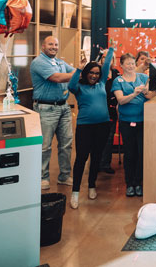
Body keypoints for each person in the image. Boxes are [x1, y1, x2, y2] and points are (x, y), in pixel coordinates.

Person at [67, 48, 114, 209]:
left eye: (97, 73)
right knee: (81, 158)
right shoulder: (79, 87)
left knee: (96, 157)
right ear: (86, 73)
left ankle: (92, 185)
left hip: (103, 126)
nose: (94, 75)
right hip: (85, 127)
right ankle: (75, 193)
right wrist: (79, 69)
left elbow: (106, 64)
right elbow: (71, 85)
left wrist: (111, 49)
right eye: (91, 73)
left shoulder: (101, 83)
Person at [30, 36, 77, 190]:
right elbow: (57, 78)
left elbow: (74, 71)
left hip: (64, 107)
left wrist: (83, 70)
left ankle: (64, 176)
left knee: (66, 144)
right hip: (46, 108)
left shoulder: (60, 62)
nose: (54, 47)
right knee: (45, 146)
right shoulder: (39, 62)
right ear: (43, 46)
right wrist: (79, 74)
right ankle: (42, 178)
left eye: (56, 44)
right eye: (51, 44)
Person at [111, 53, 150, 197]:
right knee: (130, 153)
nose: (131, 66)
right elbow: (120, 100)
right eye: (127, 64)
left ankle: (138, 183)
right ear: (121, 65)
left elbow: (152, 92)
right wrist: (134, 94)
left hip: (143, 121)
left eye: (133, 63)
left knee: (141, 153)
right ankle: (130, 183)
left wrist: (146, 91)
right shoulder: (118, 81)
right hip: (127, 122)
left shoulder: (143, 78)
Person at [99, 52, 121, 174]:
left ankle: (106, 164)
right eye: (104, 57)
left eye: (110, 58)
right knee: (97, 138)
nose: (107, 60)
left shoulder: (116, 73)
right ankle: (96, 164)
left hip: (112, 110)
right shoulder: (97, 72)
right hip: (98, 109)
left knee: (109, 137)